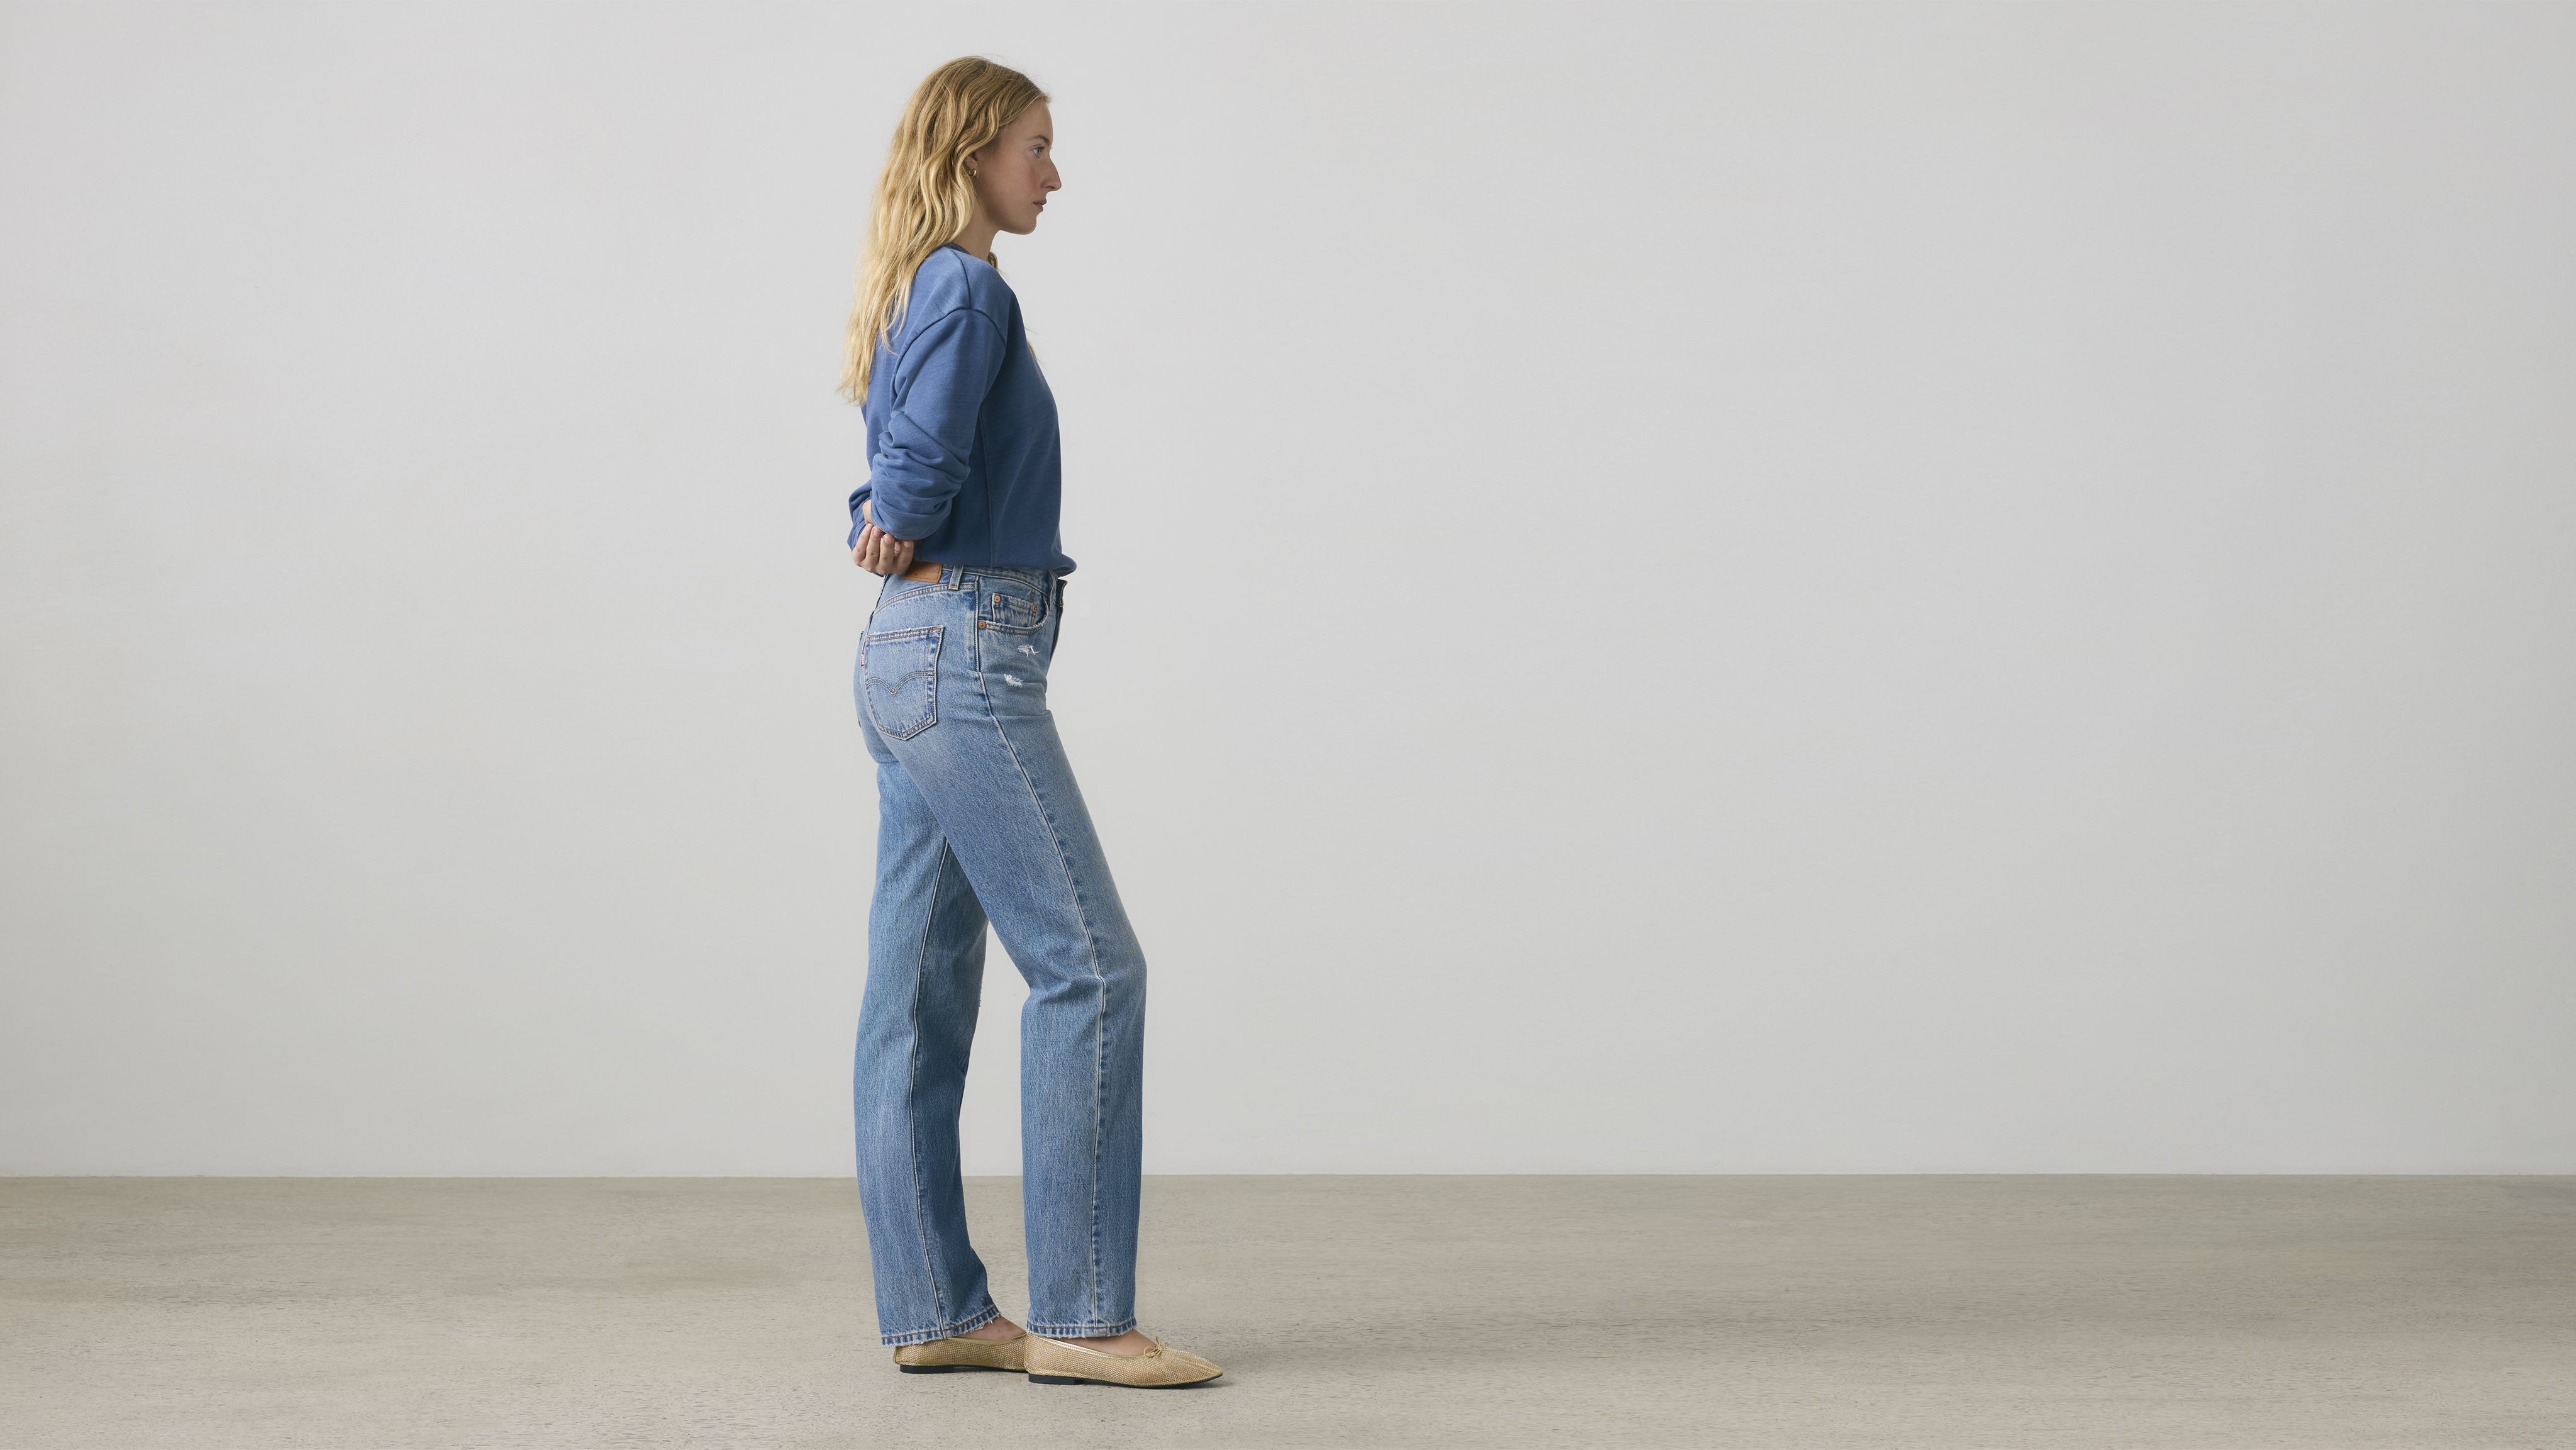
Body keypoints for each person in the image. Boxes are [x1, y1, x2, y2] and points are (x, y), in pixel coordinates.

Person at [835, 57, 1221, 1390]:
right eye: (1035, 147)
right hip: (965, 649)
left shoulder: (912, 287)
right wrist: (897, 512)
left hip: (911, 649)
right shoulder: (968, 286)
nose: (1053, 175)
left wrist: (883, 519)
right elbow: (913, 473)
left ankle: (936, 1308)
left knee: (915, 1001)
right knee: (1090, 968)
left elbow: (888, 485)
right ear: (972, 154)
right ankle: (1082, 1315)